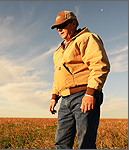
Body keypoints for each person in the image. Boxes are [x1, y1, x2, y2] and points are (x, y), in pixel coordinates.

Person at [48, 10, 110, 149]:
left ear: (73, 23)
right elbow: (58, 76)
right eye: (57, 27)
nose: (59, 29)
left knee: (85, 144)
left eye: (63, 25)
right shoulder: (59, 51)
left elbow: (99, 65)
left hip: (83, 96)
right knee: (61, 143)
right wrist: (54, 97)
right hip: (65, 99)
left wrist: (90, 93)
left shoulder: (87, 38)